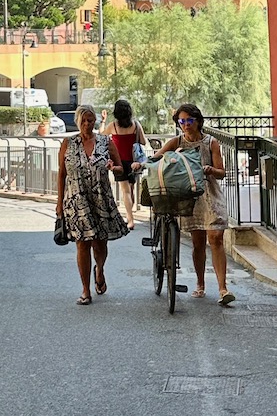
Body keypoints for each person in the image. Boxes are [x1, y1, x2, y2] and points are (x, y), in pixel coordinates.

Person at [148, 102, 234, 306]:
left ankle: (223, 289)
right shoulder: (177, 142)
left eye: (189, 120)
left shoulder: (211, 142)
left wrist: (211, 170)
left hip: (210, 194)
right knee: (197, 242)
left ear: (198, 121)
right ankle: (200, 284)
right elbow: (157, 158)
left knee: (216, 239)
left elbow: (222, 172)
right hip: (189, 197)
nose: (185, 125)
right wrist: (141, 163)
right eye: (182, 121)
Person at [56, 105, 130, 304]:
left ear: (95, 121)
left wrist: (112, 167)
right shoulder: (68, 143)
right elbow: (62, 174)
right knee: (82, 244)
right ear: (78, 121)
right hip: (76, 199)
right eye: (84, 121)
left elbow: (120, 168)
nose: (87, 124)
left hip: (100, 198)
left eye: (91, 120)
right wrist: (59, 203)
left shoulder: (106, 142)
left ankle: (100, 269)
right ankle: (85, 290)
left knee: (100, 244)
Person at [102, 98, 148, 230]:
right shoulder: (136, 125)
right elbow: (143, 142)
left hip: (119, 162)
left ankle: (130, 219)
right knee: (130, 190)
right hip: (134, 161)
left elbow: (101, 137)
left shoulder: (113, 126)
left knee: (126, 191)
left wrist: (103, 121)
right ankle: (130, 216)